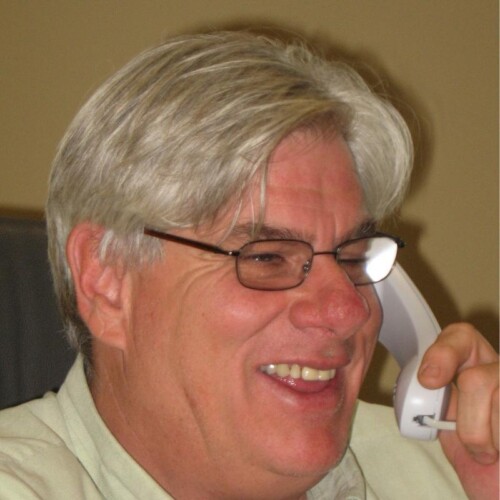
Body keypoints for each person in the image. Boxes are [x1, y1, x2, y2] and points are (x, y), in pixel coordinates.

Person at [0, 30, 498, 499]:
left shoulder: (453, 469)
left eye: (353, 257)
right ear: (106, 281)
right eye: (267, 257)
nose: (348, 310)